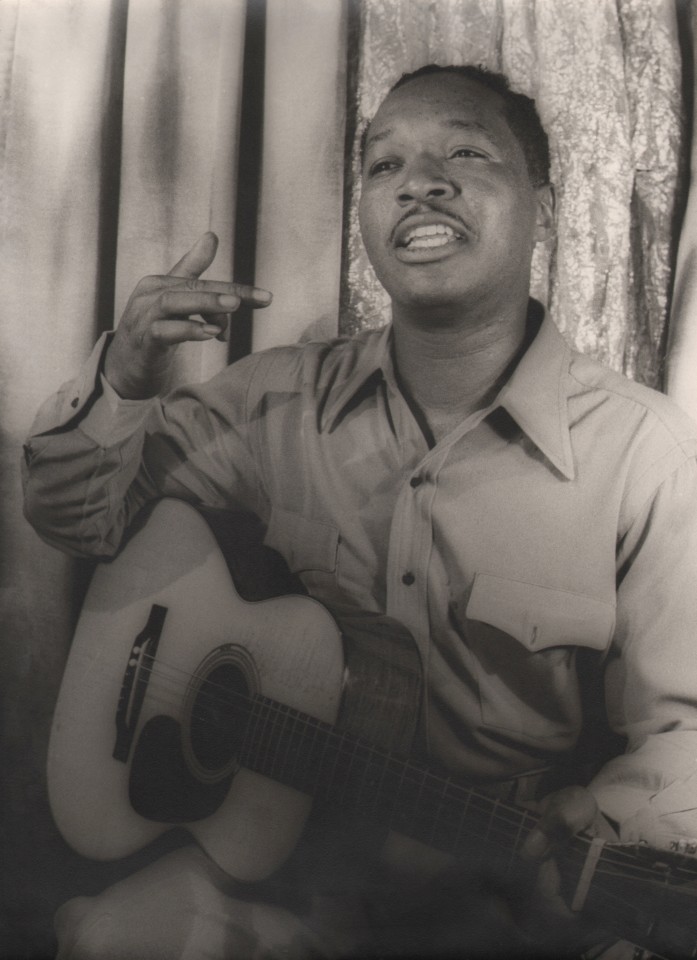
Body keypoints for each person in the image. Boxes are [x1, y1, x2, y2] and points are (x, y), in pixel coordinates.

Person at [22, 64, 697, 960]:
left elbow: (685, 732)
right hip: (289, 871)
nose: (420, 183)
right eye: (385, 165)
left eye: (465, 153)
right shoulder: (270, 404)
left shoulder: (648, 450)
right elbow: (84, 525)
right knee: (111, 939)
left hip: (500, 896)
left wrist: (605, 826)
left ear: (544, 205)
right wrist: (123, 381)